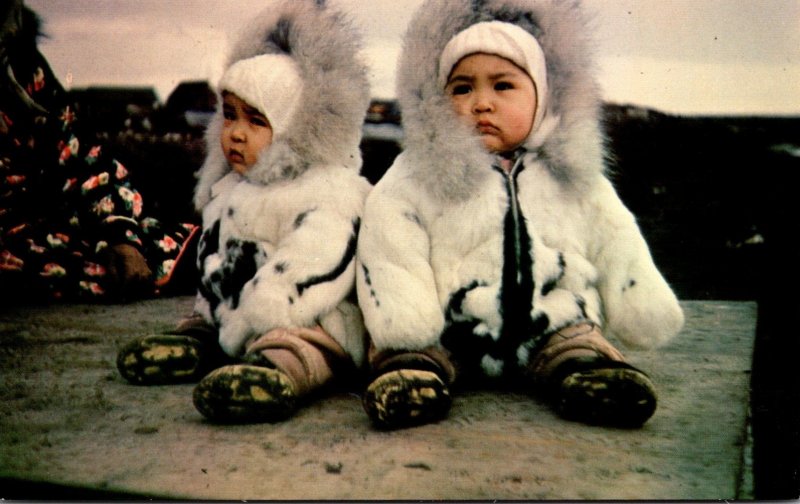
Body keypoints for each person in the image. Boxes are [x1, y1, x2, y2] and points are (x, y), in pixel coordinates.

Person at [356, 0, 685, 430]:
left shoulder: (571, 176)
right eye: (461, 88)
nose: (481, 104)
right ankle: (411, 382)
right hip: (448, 329)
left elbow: (615, 237)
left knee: (580, 342)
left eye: (502, 86)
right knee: (410, 357)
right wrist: (407, 322)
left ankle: (591, 378)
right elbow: (389, 240)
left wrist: (641, 302)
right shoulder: (418, 174)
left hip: (552, 324)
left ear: (542, 97)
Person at [117, 0, 372, 424]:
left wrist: (264, 310)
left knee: (306, 343)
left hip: (308, 312)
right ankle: (199, 341)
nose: (235, 133)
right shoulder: (230, 190)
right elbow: (213, 258)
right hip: (241, 319)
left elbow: (319, 258)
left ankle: (275, 373)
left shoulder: (328, 187)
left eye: (256, 121)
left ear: (294, 126)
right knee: (211, 316)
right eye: (230, 116)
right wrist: (213, 309)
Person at [0, 1, 197, 302]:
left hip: (43, 224)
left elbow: (81, 157)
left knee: (165, 243)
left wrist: (120, 235)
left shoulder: (22, 65)